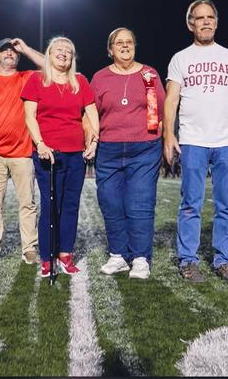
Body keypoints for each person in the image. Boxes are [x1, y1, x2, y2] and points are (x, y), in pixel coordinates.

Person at [164, 0, 228, 283]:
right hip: (193, 140)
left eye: (210, 17)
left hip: (227, 140)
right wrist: (169, 133)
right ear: (190, 23)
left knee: (226, 205)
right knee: (191, 203)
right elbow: (171, 99)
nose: (205, 22)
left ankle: (223, 261)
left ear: (216, 21)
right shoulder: (180, 58)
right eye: (199, 18)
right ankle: (188, 261)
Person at [90, 27, 166, 280]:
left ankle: (141, 258)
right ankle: (118, 255)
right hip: (109, 149)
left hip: (144, 147)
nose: (125, 46)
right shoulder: (100, 78)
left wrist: (162, 140)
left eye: (129, 42)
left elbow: (161, 111)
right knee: (110, 202)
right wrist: (90, 139)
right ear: (110, 49)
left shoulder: (149, 74)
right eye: (119, 43)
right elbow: (91, 115)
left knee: (140, 203)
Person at [22, 36, 99, 277]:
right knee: (50, 205)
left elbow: (92, 114)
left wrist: (94, 140)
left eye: (68, 50)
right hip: (48, 154)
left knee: (70, 205)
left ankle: (65, 253)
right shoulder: (36, 80)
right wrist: (41, 144)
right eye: (59, 49)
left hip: (75, 153)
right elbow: (29, 117)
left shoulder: (80, 82)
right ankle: (47, 257)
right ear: (49, 54)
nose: (64, 53)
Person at [0, 37, 44, 265]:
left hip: (23, 152)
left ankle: (29, 248)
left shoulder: (26, 77)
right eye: (4, 51)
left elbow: (50, 66)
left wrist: (25, 48)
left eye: (13, 51)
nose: (9, 53)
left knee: (27, 203)